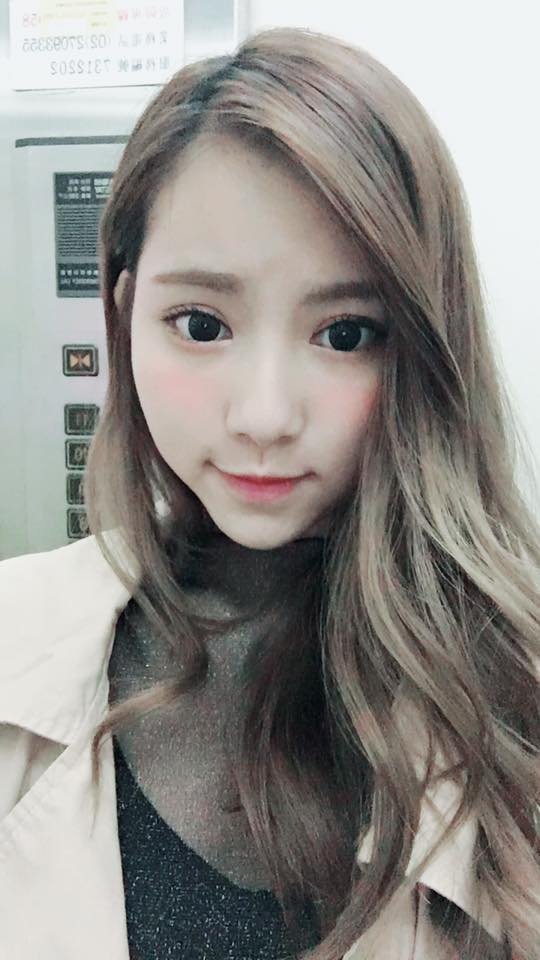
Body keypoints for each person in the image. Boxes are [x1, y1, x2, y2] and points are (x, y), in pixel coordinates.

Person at [0, 24, 538, 960]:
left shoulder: (514, 684)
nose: (264, 415)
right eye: (201, 324)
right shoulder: (13, 632)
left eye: (346, 333)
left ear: (426, 347)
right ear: (125, 318)